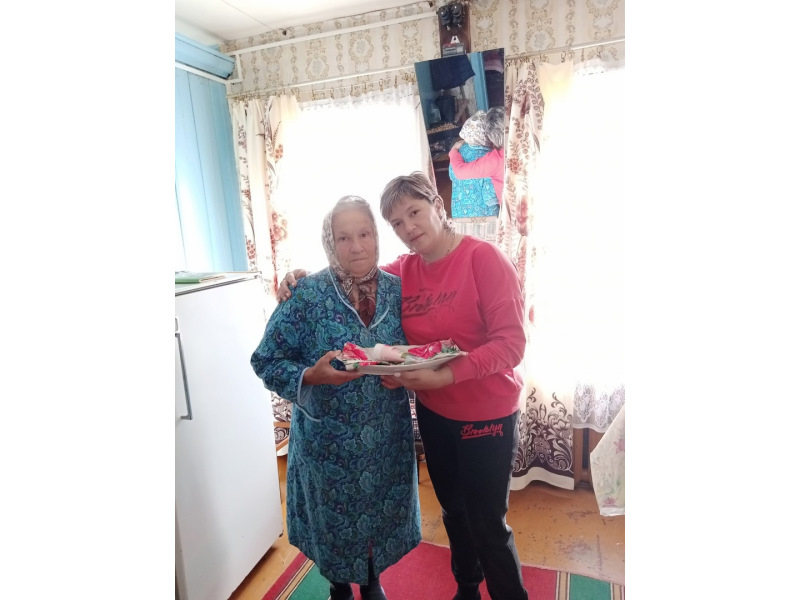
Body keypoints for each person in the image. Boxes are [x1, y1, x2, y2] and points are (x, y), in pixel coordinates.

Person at [278, 173, 528, 600]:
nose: (408, 227)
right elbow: (351, 275)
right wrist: (298, 278)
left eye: (414, 212)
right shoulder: (403, 273)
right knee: (454, 512)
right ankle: (467, 590)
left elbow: (511, 344)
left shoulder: (484, 259)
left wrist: (446, 375)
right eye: (396, 222)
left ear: (438, 206)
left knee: (487, 522)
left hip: (486, 413)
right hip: (434, 413)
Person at [251, 195, 421, 600]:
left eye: (364, 234)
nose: (356, 246)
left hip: (385, 441)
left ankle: (372, 579)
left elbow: (420, 349)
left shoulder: (399, 290)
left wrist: (409, 374)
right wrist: (311, 375)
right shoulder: (306, 295)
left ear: (377, 236)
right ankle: (338, 585)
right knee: (333, 522)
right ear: (329, 242)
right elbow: (266, 359)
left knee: (379, 515)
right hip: (327, 446)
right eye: (343, 237)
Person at [448, 106, 505, 205]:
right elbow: (489, 198)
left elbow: (458, 172)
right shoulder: (529, 144)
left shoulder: (494, 159)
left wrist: (453, 151)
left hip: (510, 209)